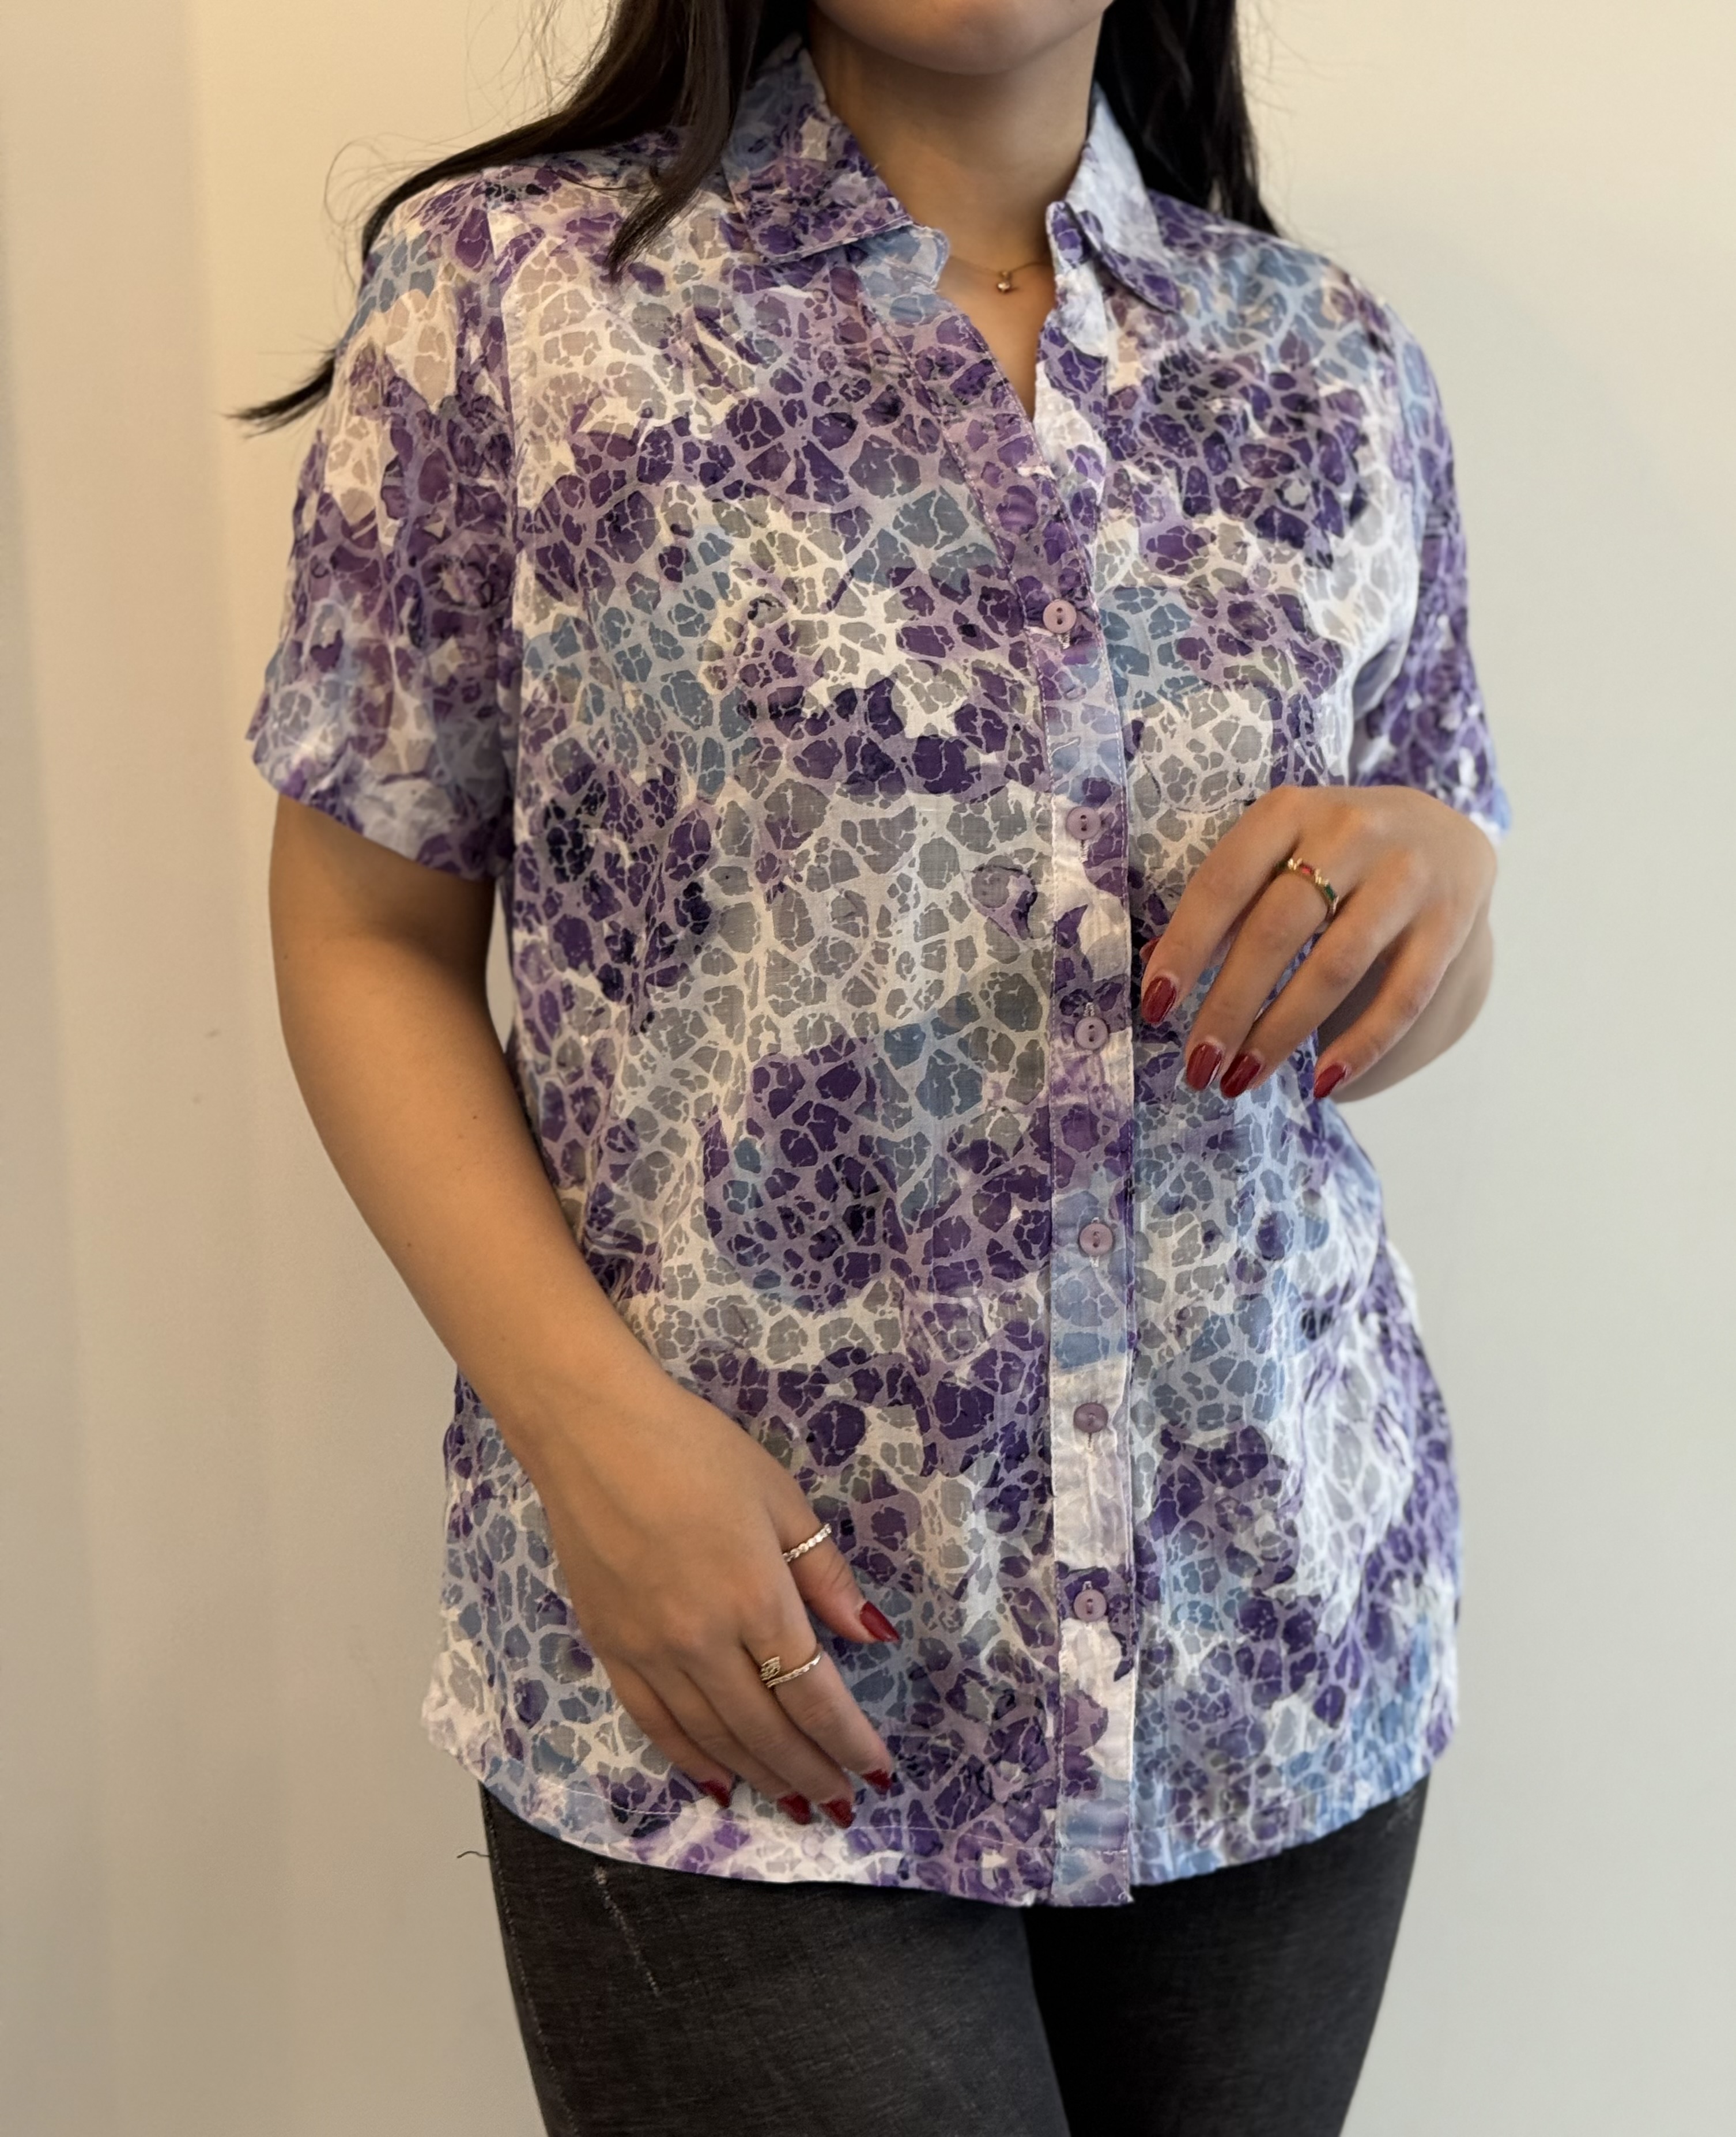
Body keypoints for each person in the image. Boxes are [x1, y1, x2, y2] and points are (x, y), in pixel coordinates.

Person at [244, 2, 1507, 2131]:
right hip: (744, 1661)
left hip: (1267, 1652)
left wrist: (1434, 898)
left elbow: (1390, 995)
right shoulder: (515, 307)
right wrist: (588, 1437)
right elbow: (369, 931)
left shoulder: (1325, 361)